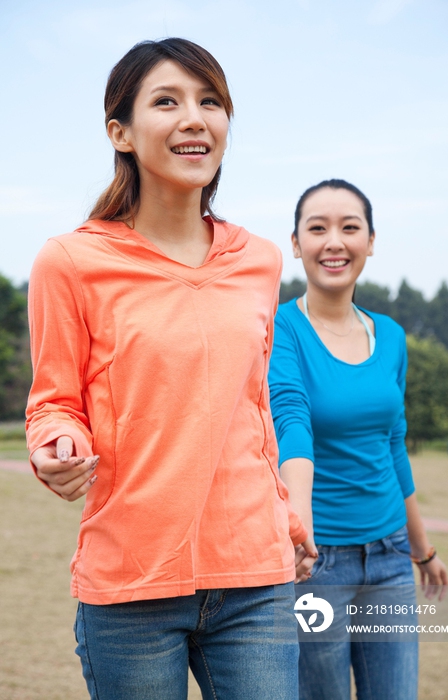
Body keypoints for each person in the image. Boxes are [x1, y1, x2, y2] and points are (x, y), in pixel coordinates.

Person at [26, 38, 315, 700]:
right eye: (167, 101)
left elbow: (254, 408)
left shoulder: (260, 261)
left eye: (210, 102)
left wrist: (288, 522)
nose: (195, 118)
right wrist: (55, 445)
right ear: (119, 132)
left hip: (254, 578)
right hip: (131, 583)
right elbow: (53, 402)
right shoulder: (69, 261)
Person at [268, 179, 448, 700]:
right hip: (316, 564)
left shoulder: (390, 335)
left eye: (350, 227)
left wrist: (421, 550)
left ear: (370, 241)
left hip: (391, 557)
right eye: (317, 228)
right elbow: (291, 421)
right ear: (296, 243)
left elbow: (394, 444)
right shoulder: (279, 328)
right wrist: (300, 530)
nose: (335, 242)